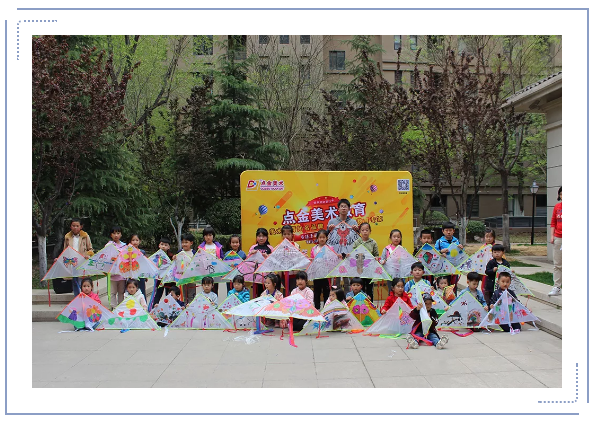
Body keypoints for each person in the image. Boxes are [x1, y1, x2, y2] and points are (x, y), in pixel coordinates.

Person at [56, 218, 94, 297]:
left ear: (81, 227)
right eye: (73, 226)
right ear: (70, 226)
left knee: (82, 281)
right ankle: (77, 297)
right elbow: (65, 250)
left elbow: (90, 249)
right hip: (72, 262)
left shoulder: (85, 236)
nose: (75, 228)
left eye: (77, 226)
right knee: (74, 281)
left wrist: (88, 255)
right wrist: (60, 258)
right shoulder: (67, 237)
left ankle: (86, 297)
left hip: (82, 261)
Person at [351, 222, 379, 301]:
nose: (365, 232)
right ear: (360, 231)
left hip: (370, 270)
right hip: (359, 270)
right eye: (363, 230)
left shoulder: (373, 242)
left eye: (367, 230)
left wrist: (376, 258)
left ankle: (370, 306)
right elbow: (353, 254)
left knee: (369, 289)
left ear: (370, 231)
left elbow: (376, 255)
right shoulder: (357, 242)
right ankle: (360, 305)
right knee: (360, 288)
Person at [435, 222, 463, 290]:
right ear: (443, 231)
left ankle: (453, 296)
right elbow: (434, 254)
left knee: (453, 286)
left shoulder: (456, 241)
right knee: (443, 286)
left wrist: (461, 248)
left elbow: (461, 254)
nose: (448, 232)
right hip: (443, 269)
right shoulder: (439, 242)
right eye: (446, 230)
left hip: (454, 268)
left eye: (450, 230)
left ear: (453, 231)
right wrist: (441, 252)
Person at [149, 237, 176, 311]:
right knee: (158, 294)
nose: (163, 246)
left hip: (169, 279)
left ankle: (168, 310)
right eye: (162, 244)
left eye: (166, 245)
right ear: (159, 245)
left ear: (169, 247)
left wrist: (174, 258)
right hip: (159, 279)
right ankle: (153, 310)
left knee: (169, 294)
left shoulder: (171, 256)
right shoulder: (156, 256)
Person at [311, 229, 334, 309]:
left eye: (323, 237)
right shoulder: (314, 249)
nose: (322, 239)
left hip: (326, 275)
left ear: (326, 238)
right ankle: (317, 308)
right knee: (316, 292)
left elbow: (333, 259)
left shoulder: (330, 248)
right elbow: (312, 261)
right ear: (317, 238)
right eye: (320, 237)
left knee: (326, 292)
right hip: (317, 274)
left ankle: (326, 308)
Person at [105, 225, 127, 309]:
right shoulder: (109, 245)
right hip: (112, 274)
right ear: (111, 235)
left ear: (121, 234)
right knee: (112, 292)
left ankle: (121, 308)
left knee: (121, 292)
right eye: (114, 233)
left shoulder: (124, 246)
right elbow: (105, 257)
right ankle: (114, 308)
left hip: (122, 273)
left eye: (118, 233)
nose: (116, 235)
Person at [199, 225, 224, 296]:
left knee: (215, 289)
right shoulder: (201, 247)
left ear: (213, 236)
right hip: (205, 271)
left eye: (210, 235)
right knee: (205, 289)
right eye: (206, 235)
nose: (208, 237)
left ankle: (214, 302)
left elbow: (222, 257)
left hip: (215, 271)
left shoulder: (218, 246)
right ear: (204, 236)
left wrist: (220, 260)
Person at [248, 228, 274, 296]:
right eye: (259, 236)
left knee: (268, 292)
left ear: (267, 237)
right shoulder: (253, 247)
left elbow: (273, 261)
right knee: (258, 293)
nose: (261, 238)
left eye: (263, 236)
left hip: (267, 275)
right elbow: (247, 261)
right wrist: (251, 254)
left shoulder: (270, 248)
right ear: (256, 237)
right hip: (256, 275)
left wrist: (267, 256)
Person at [174, 233, 196, 303]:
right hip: (181, 278)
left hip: (191, 278)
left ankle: (191, 307)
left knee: (191, 294)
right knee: (183, 295)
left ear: (191, 243)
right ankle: (183, 306)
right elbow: (176, 263)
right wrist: (174, 258)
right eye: (183, 242)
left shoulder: (194, 253)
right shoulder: (179, 252)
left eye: (186, 242)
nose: (184, 244)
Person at [549, 186, 562, 296]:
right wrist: (552, 236)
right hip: (559, 238)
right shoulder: (557, 207)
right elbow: (553, 222)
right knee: (557, 264)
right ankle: (557, 286)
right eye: (561, 194)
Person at [281, 225, 300, 292]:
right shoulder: (279, 246)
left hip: (294, 274)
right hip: (283, 274)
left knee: (293, 292)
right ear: (282, 235)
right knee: (285, 292)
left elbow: (299, 258)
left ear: (292, 235)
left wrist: (297, 269)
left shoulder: (296, 245)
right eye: (284, 234)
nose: (286, 236)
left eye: (288, 234)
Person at [128, 234, 148, 300]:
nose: (135, 242)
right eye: (133, 240)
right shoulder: (128, 252)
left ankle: (143, 304)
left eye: (137, 240)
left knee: (142, 290)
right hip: (131, 274)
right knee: (131, 290)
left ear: (140, 241)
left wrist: (146, 275)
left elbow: (145, 264)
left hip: (141, 275)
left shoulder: (142, 252)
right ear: (130, 241)